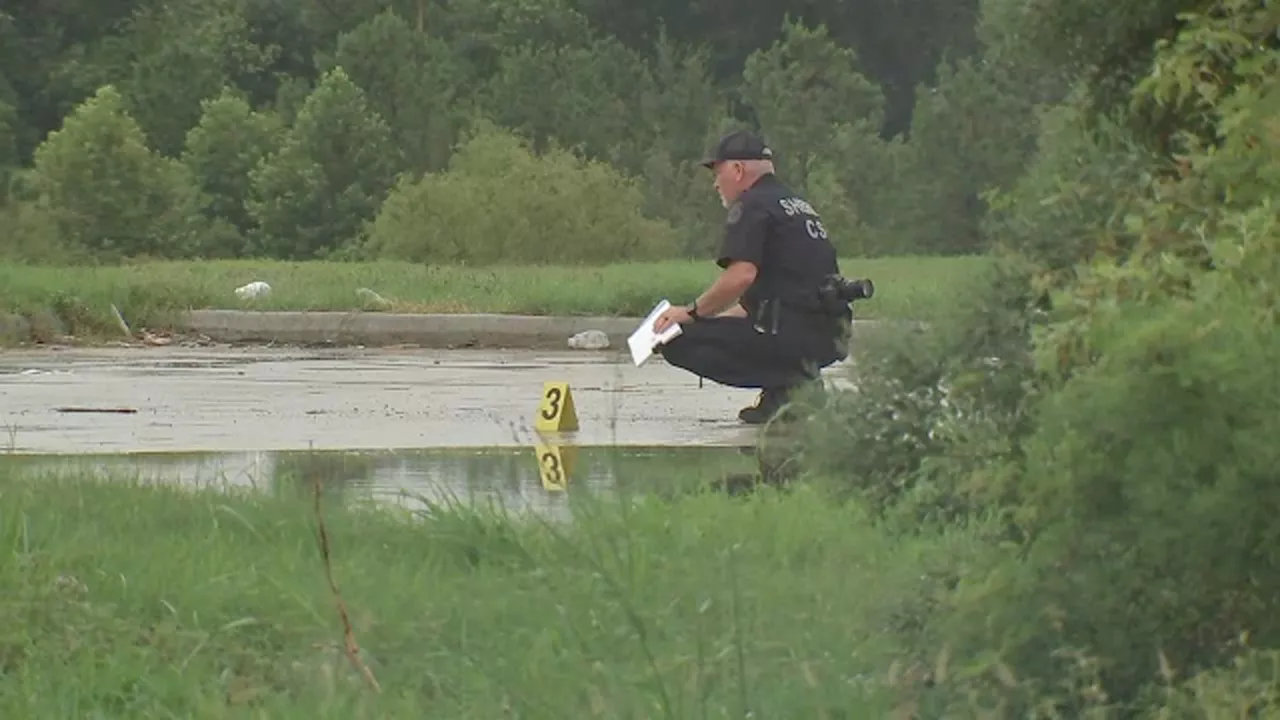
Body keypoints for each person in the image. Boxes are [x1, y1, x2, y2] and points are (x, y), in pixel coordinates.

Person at [652, 130, 852, 424]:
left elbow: (740, 277)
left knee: (674, 340)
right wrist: (711, 320)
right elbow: (754, 302)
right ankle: (790, 388)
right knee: (718, 327)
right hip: (828, 334)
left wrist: (690, 313)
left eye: (717, 173)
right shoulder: (797, 205)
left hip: (791, 336)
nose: (715, 184)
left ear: (737, 169)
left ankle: (791, 386)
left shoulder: (752, 206)